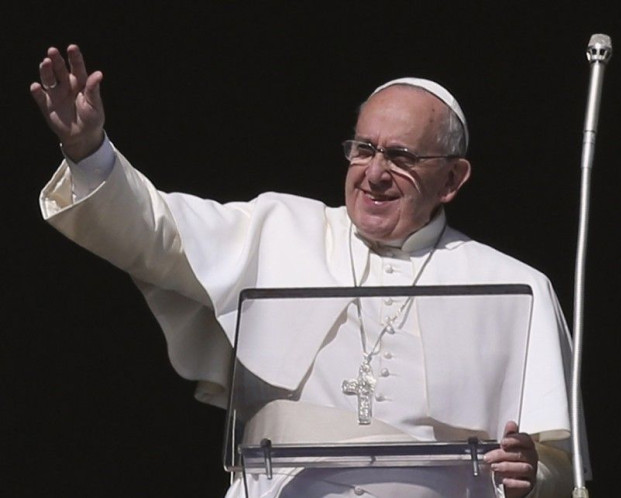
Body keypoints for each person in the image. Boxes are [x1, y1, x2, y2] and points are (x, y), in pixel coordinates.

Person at [32, 44, 579, 497]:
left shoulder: (516, 286)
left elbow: (559, 468)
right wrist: (88, 150)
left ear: (453, 179)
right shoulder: (280, 228)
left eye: (402, 157)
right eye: (363, 149)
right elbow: (157, 231)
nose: (375, 173)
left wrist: (533, 475)